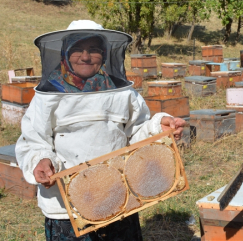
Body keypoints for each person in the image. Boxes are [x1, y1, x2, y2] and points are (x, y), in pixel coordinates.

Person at [15, 20, 186, 241]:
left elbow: (136, 133)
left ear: (104, 55)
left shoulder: (122, 92)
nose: (85, 57)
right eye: (77, 49)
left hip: (117, 197)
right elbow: (34, 140)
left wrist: (157, 129)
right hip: (67, 207)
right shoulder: (48, 96)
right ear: (65, 53)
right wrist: (41, 160)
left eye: (94, 50)